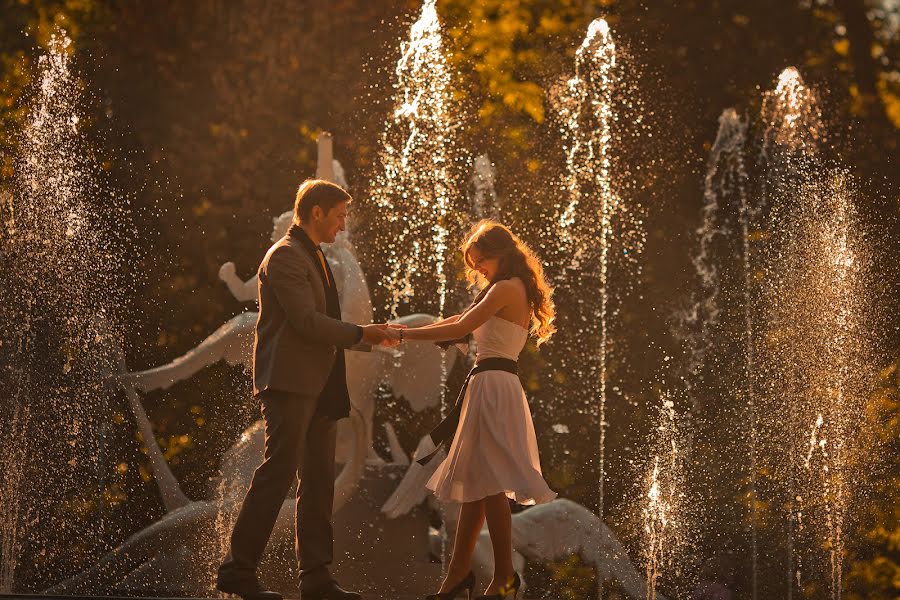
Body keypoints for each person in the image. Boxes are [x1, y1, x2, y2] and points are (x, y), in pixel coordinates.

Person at [216, 179, 399, 600]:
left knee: (317, 480)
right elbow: (306, 322)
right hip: (290, 384)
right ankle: (237, 569)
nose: (342, 224)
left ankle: (316, 578)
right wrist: (363, 334)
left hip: (319, 385)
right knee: (278, 472)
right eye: (338, 216)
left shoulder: (311, 254)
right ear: (316, 212)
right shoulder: (284, 256)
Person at [395, 220, 557, 600]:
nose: (478, 269)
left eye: (481, 260)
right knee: (478, 482)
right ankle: (457, 576)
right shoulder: (506, 288)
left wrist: (402, 335)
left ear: (501, 254)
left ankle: (503, 578)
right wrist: (403, 330)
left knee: (490, 482)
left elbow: (463, 325)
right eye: (474, 263)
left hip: (493, 387)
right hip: (492, 385)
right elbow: (456, 323)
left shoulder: (505, 288)